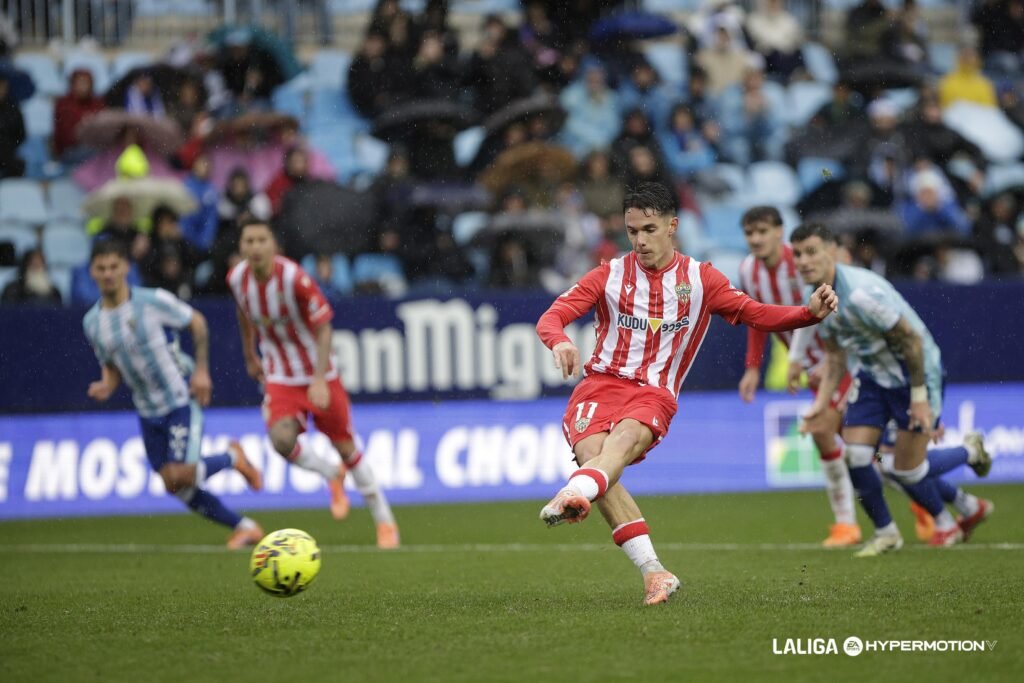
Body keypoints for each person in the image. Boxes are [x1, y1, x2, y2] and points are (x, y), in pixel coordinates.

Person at [534, 182, 839, 605]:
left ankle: (574, 493)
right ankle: (655, 574)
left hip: (654, 392)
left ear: (673, 226)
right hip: (599, 385)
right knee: (596, 463)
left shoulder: (701, 280)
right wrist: (560, 341)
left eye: (649, 229)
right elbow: (552, 317)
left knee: (617, 448)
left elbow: (757, 314)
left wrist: (808, 313)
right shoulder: (608, 275)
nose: (640, 240)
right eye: (632, 230)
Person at [791, 223, 994, 556]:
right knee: (858, 456)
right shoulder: (813, 296)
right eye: (797, 254)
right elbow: (836, 355)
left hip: (915, 374)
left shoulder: (860, 293)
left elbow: (912, 342)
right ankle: (887, 532)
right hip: (873, 375)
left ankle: (971, 452)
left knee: (906, 469)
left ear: (833, 250)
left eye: (812, 251)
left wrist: (919, 398)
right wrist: (821, 404)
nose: (803, 261)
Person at [227, 220, 400, 549]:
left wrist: (319, 378)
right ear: (242, 246)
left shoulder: (294, 279)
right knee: (280, 440)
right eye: (249, 240)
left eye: (262, 239)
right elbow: (243, 313)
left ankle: (384, 522)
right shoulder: (237, 279)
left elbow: (323, 327)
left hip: (320, 374)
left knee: (347, 448)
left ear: (273, 245)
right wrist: (250, 354)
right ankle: (330, 475)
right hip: (280, 376)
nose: (255, 246)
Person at [82, 239, 264, 549]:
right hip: (147, 410)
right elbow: (111, 364)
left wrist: (202, 371)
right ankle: (246, 527)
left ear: (126, 267)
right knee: (174, 485)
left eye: (114, 266)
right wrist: (107, 384)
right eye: (102, 268)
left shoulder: (151, 301)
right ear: (92, 272)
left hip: (180, 397)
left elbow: (197, 323)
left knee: (181, 473)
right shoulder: (92, 323)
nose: (109, 273)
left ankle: (233, 457)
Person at [736, 207, 861, 547]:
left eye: (762, 231)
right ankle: (937, 503)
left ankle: (850, 523)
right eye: (749, 233)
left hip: (841, 362)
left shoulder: (806, 260)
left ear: (780, 231)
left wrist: (836, 354)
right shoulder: (748, 271)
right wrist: (752, 367)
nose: (756, 239)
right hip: (809, 367)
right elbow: (758, 318)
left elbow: (841, 302)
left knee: (844, 437)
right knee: (853, 442)